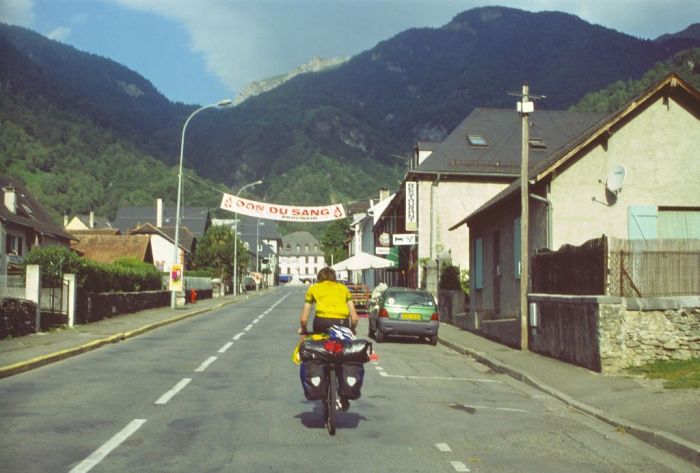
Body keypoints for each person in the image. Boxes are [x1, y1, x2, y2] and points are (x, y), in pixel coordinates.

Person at [299, 267, 359, 335]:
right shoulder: (344, 289)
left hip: (321, 322)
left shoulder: (313, 288)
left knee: (318, 343)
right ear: (334, 277)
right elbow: (354, 318)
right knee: (343, 344)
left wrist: (303, 329)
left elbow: (303, 320)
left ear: (319, 277)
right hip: (342, 322)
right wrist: (352, 329)